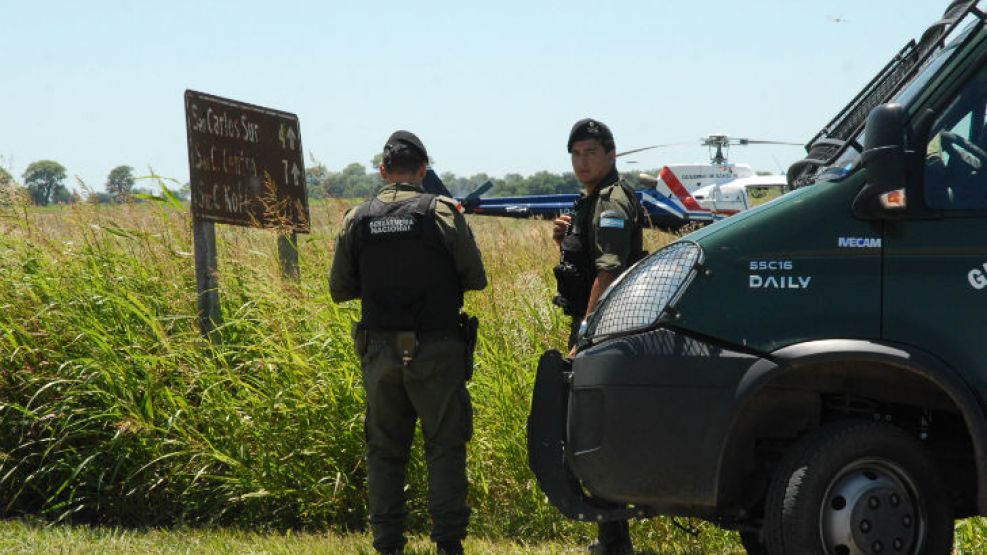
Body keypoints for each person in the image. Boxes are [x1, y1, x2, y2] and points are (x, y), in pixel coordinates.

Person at [329, 130, 487, 555]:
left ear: (383, 171)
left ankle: (387, 544)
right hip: (435, 346)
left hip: (381, 349)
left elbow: (339, 288)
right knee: (444, 446)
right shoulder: (442, 213)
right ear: (423, 170)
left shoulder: (357, 218)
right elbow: (476, 277)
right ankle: (448, 544)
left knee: (384, 449)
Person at [551, 118, 646, 555]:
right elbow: (586, 265)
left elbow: (608, 270)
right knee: (593, 430)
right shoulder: (592, 200)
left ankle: (615, 539)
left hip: (605, 329)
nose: (582, 161)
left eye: (591, 153)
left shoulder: (612, 201)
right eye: (576, 154)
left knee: (599, 430)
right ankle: (612, 538)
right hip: (598, 325)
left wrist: (587, 334)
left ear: (610, 155)